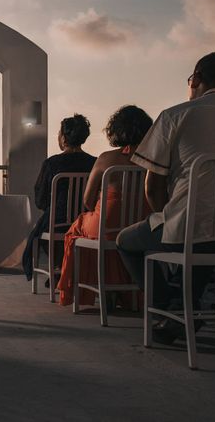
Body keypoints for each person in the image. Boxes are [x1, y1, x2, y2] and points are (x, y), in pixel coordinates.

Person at [115, 52, 215, 345]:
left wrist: (169, 217)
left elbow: (152, 187)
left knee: (127, 241)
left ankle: (170, 309)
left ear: (196, 79)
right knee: (200, 229)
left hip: (191, 231)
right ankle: (183, 306)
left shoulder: (175, 115)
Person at [56, 105, 153, 307]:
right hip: (141, 226)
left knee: (78, 230)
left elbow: (87, 200)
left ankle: (90, 290)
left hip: (106, 225)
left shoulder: (106, 159)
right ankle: (122, 290)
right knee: (119, 235)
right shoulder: (155, 159)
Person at [21, 114, 97, 281]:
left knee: (43, 229)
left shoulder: (52, 163)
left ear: (63, 137)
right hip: (86, 221)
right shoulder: (94, 163)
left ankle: (60, 267)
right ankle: (67, 269)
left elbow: (40, 200)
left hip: (58, 222)